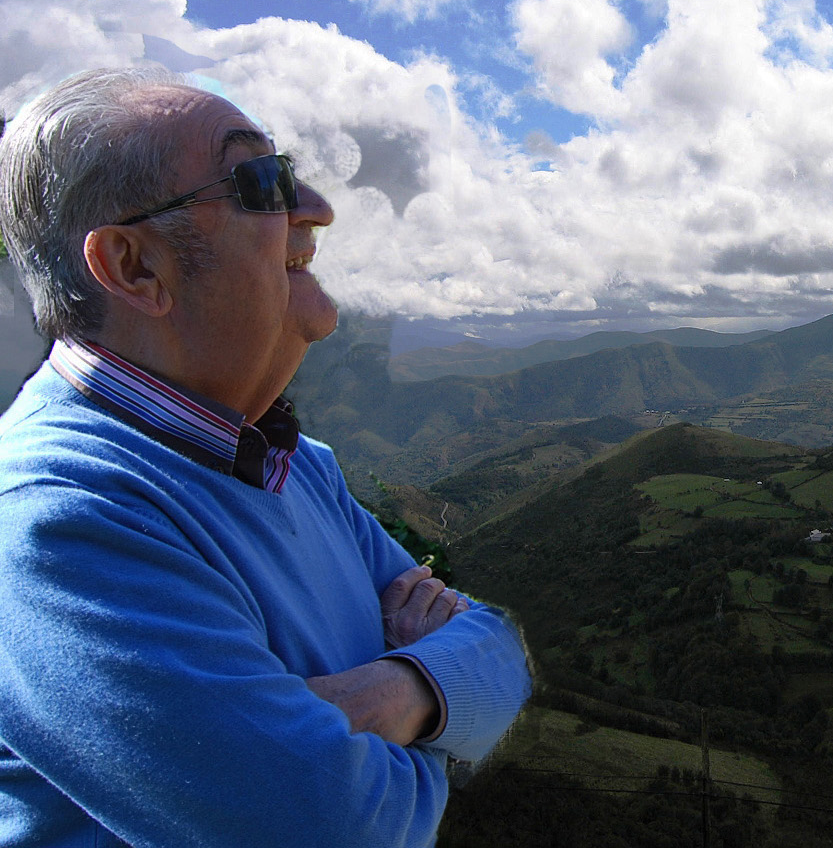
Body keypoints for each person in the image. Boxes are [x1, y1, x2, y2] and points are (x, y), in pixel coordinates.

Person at [0, 67, 531, 847]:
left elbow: (499, 649)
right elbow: (337, 827)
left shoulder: (299, 467)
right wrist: (442, 718)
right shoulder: (56, 519)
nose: (315, 206)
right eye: (261, 181)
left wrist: (392, 694)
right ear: (135, 266)